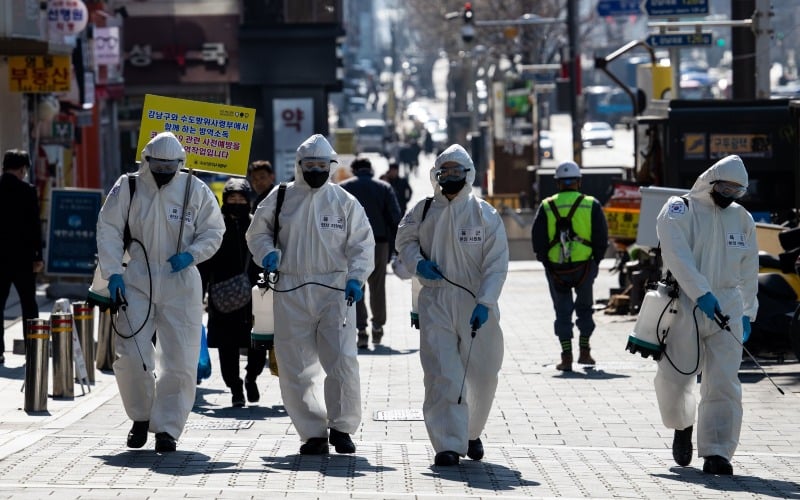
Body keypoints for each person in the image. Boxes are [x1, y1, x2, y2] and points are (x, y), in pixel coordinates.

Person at [95, 131, 224, 452]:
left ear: (181, 164)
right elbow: (108, 228)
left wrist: (192, 255)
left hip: (180, 279)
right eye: (159, 166)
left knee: (180, 359)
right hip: (137, 277)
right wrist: (113, 272)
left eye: (171, 166)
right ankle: (140, 416)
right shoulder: (129, 186)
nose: (165, 172)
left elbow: (214, 229)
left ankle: (167, 428)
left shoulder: (195, 189)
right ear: (147, 161)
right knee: (131, 352)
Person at [246, 134, 374, 455]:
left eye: (321, 164)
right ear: (299, 166)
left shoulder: (344, 202)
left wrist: (357, 278)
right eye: (309, 165)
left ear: (331, 165)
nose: (315, 169)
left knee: (342, 361)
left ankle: (341, 428)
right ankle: (312, 431)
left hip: (335, 292)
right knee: (294, 366)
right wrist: (267, 253)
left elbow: (362, 243)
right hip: (290, 289)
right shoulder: (280, 197)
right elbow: (257, 232)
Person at [395, 144, 509, 467]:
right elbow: (404, 240)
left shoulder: (485, 215)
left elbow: (497, 263)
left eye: (457, 172)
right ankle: (447, 443)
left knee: (483, 374)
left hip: (476, 303)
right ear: (437, 175)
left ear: (469, 175)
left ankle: (470, 432)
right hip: (436, 301)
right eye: (446, 172)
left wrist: (486, 300)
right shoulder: (424, 210)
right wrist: (418, 264)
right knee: (443, 372)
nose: (451, 178)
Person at [654, 154, 757, 475]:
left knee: (723, 382)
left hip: (727, 305)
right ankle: (682, 425)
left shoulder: (742, 218)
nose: (730, 197)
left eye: (737, 192)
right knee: (675, 378)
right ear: (711, 181)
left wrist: (748, 313)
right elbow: (677, 255)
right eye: (725, 189)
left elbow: (749, 269)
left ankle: (717, 452)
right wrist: (701, 292)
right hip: (685, 303)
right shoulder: (679, 210)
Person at [531, 161, 609, 372]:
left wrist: (547, 262)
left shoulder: (547, 206)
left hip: (557, 269)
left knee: (562, 312)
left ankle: (566, 357)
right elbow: (602, 237)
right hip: (584, 267)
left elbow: (537, 240)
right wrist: (596, 261)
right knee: (585, 309)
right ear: (579, 182)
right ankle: (585, 352)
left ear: (557, 184)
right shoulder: (591, 204)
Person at [198, 178, 265, 407]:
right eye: (232, 199)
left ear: (249, 201)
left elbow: (266, 257)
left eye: (241, 199)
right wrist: (200, 290)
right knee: (228, 347)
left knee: (258, 343)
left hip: (256, 296)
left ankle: (252, 378)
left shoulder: (258, 227)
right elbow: (205, 261)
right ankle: (235, 387)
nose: (237, 203)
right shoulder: (215, 228)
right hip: (222, 296)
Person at [340, 157, 402, 349]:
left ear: (354, 169)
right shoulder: (384, 187)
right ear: (370, 169)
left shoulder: (343, 188)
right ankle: (377, 326)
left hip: (351, 244)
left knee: (355, 284)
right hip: (379, 243)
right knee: (377, 286)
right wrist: (396, 247)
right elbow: (395, 217)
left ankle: (361, 329)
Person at [0, 149, 44, 365]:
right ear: (22, 168)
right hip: (23, 258)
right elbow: (35, 227)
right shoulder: (27, 191)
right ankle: (32, 347)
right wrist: (38, 255)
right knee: (29, 303)